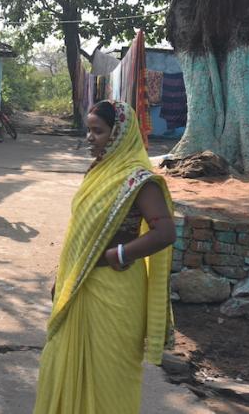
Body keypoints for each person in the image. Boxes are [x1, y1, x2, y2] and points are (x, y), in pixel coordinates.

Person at [33, 100, 176, 414]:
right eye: (89, 130)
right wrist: (63, 276)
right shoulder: (99, 170)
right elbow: (79, 232)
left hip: (116, 291)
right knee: (61, 358)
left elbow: (165, 232)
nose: (89, 137)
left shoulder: (140, 180)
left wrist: (119, 253)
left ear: (119, 135)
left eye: (98, 131)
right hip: (80, 284)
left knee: (109, 375)